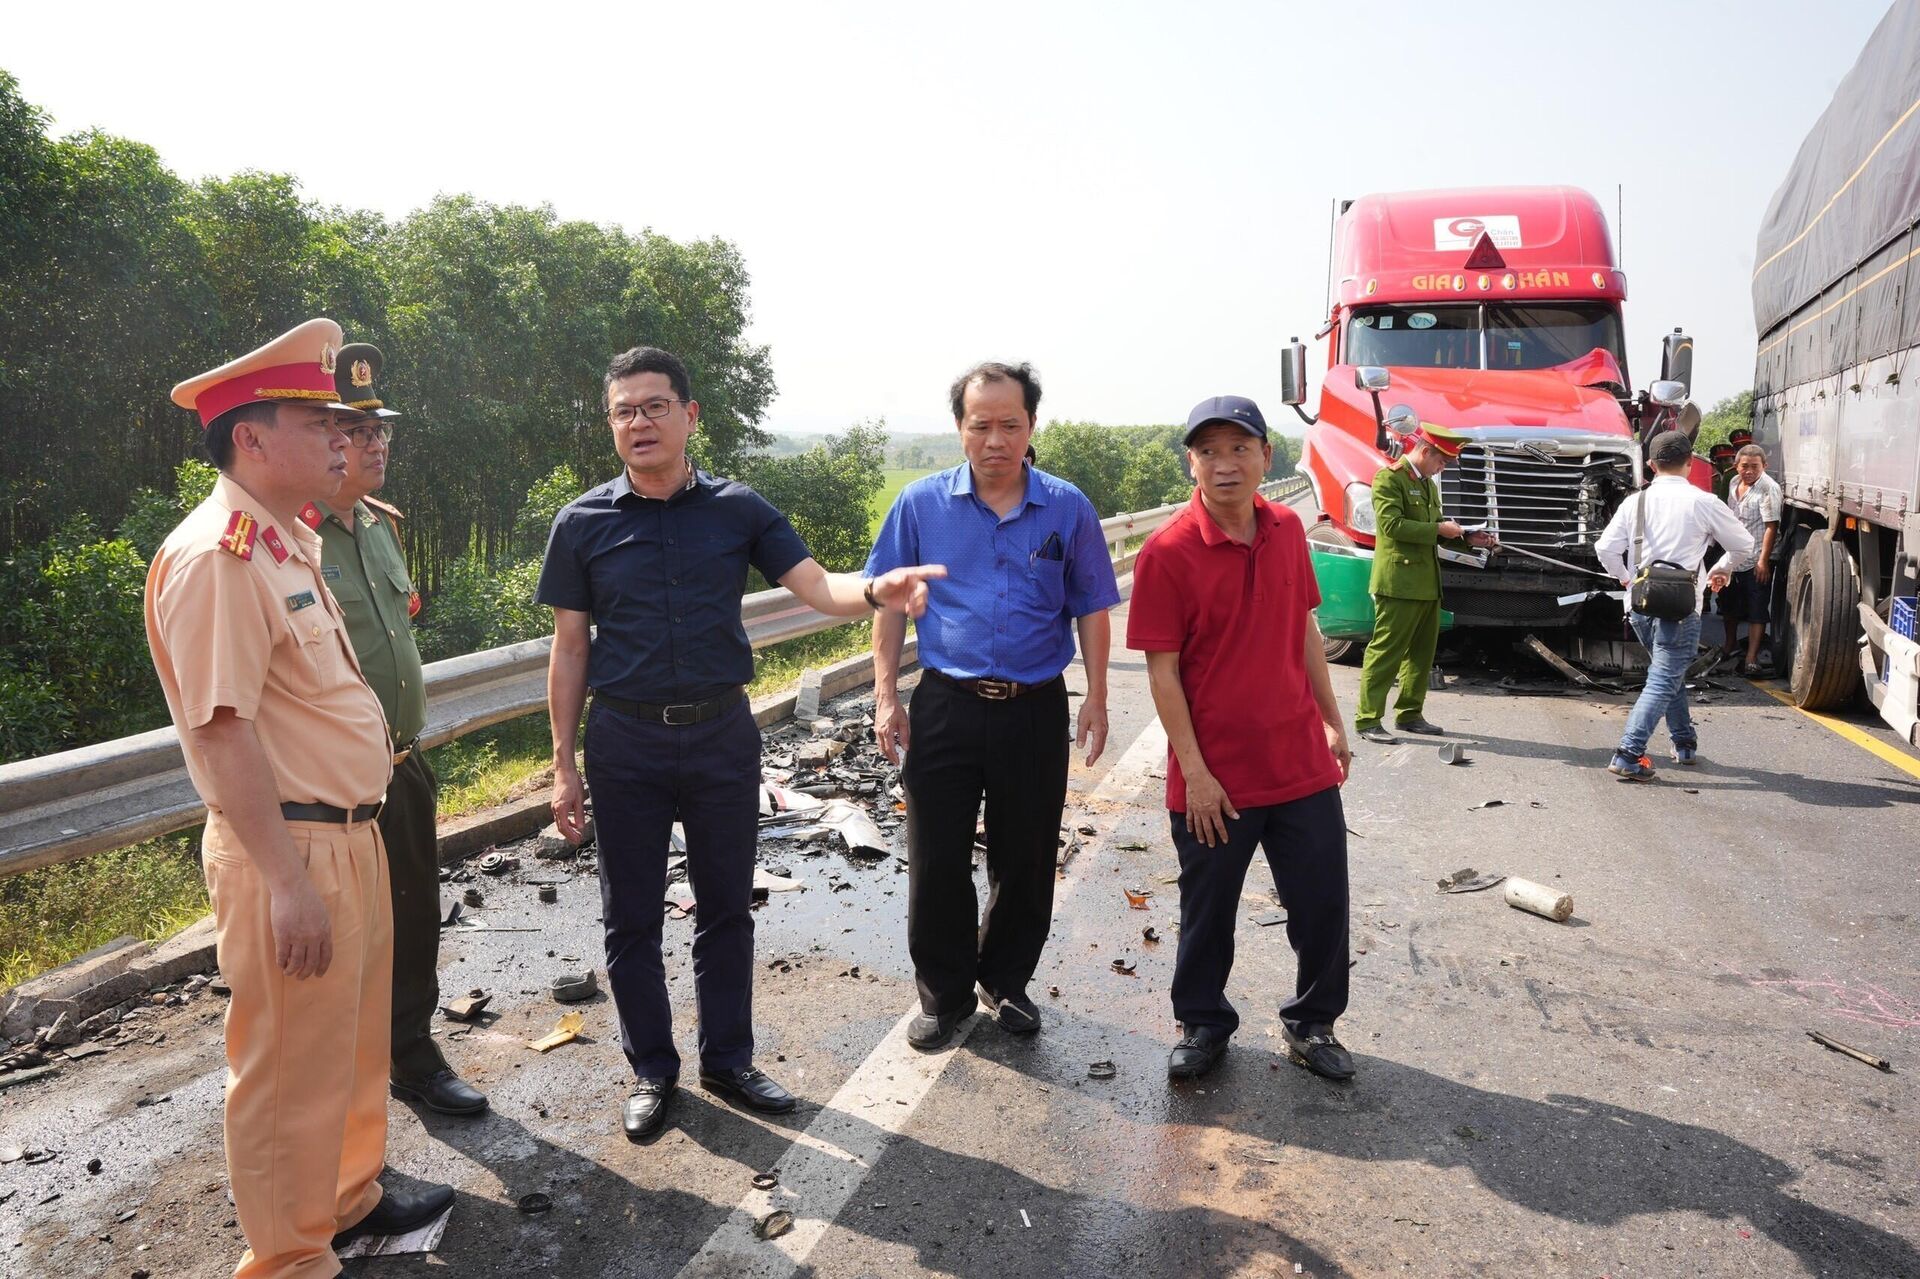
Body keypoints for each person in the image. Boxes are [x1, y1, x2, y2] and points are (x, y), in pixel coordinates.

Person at [536, 345, 943, 1142]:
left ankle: (729, 1057)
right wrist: (561, 765)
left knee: (727, 906)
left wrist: (874, 591)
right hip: (624, 738)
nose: (639, 422)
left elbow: (819, 587)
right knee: (630, 918)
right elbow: (569, 647)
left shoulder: (738, 509)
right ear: (610, 425)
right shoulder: (581, 522)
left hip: (723, 731)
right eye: (624, 410)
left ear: (689, 416)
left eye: (655, 406)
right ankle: (654, 1068)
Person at [147, 319, 452, 1277]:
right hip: (293, 845)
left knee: (353, 1047)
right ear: (251, 436)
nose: (340, 436)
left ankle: (350, 1201)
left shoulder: (285, 542)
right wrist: (283, 880)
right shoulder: (221, 554)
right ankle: (288, 1258)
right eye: (316, 419)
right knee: (286, 1072)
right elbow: (220, 728)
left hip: (349, 833)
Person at [867, 361, 1120, 1051]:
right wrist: (888, 696)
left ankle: (1006, 981)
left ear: (1032, 426)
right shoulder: (920, 505)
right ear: (961, 429)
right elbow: (888, 606)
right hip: (946, 701)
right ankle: (945, 995)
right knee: (937, 852)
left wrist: (1097, 694)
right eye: (981, 425)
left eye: (1011, 424)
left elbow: (1093, 605)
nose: (996, 439)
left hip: (1034, 705)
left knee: (1028, 851)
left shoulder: (1067, 507)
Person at [1127, 396, 1354, 1082]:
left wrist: (1332, 719)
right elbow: (1163, 673)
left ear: (1266, 456)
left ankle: (1313, 1023)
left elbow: (1306, 631)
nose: (1224, 464)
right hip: (1215, 776)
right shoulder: (1167, 552)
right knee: (1208, 911)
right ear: (1191, 462)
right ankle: (1202, 1022)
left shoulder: (1287, 528)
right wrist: (1193, 771)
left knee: (1321, 905)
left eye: (1238, 448)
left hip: (1300, 763)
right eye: (1208, 451)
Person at [299, 343, 486, 1118]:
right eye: (354, 430)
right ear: (324, 442)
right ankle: (334, 1089)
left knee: (413, 920)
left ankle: (410, 1054)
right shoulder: (294, 539)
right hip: (333, 781)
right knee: (345, 943)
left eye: (381, 432)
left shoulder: (381, 526)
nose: (374, 444)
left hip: (402, 762)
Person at [1595, 430, 1754, 778]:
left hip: (1639, 605)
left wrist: (1625, 577)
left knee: (1669, 674)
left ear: (1651, 465)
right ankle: (1628, 753)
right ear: (1689, 463)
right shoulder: (1704, 502)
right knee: (1664, 677)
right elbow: (1743, 544)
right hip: (1682, 608)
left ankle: (1685, 744)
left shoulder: (1635, 502)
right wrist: (1721, 568)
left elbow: (1605, 549)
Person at [1352, 423, 1497, 745]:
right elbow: (1392, 526)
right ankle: (1368, 718)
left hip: (1427, 582)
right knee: (1386, 652)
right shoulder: (1389, 479)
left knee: (1421, 655)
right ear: (1426, 451)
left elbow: (1435, 529)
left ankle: (1410, 714)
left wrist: (1469, 538)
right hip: (1399, 582)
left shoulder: (1428, 485)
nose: (1441, 468)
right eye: (1441, 462)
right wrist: (1440, 530)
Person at [1721, 443, 1783, 676]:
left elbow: (1771, 527)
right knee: (1728, 604)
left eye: (1754, 467)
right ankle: (1729, 645)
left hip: (1757, 556)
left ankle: (1751, 658)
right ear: (1736, 466)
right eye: (1744, 466)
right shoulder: (1734, 483)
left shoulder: (1768, 488)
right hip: (1735, 555)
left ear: (1764, 466)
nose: (1749, 471)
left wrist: (1763, 562)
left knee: (1757, 608)